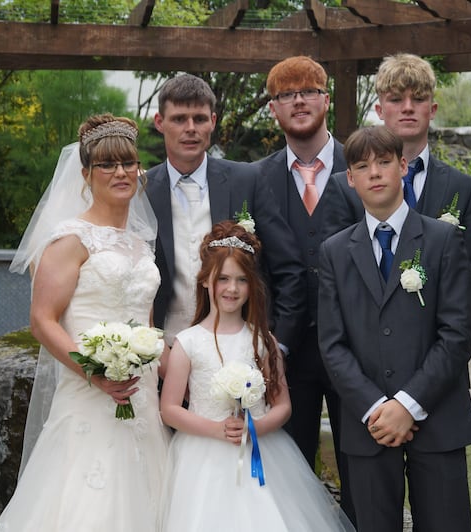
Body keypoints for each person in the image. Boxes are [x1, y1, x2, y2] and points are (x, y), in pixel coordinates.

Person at [0, 114, 170, 531]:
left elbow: (146, 321)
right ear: (86, 174)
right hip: (89, 392)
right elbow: (43, 320)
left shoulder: (141, 242)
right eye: (107, 165)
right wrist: (96, 373)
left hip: (141, 394)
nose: (121, 173)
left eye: (129, 163)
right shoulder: (70, 239)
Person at [318, 126, 471, 532]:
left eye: (384, 162)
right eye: (362, 166)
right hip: (367, 425)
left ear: (403, 167)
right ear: (349, 179)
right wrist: (377, 409)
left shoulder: (442, 239)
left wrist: (408, 404)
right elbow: (333, 345)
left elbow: (457, 334)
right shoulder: (335, 252)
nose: (375, 173)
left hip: (437, 419)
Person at [160, 220, 354, 532]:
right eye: (222, 278)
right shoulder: (188, 342)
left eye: (241, 280)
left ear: (252, 286)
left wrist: (255, 428)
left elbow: (282, 406)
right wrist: (215, 429)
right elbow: (169, 409)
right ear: (205, 281)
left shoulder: (264, 341)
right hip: (202, 455)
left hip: (262, 450)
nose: (232, 288)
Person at [251, 55, 355, 522]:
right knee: (289, 477)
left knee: (363, 475)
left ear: (327, 100)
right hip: (284, 355)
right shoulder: (256, 178)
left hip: (357, 353)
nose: (298, 101)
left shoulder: (363, 167)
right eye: (286, 94)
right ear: (273, 109)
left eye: (309, 91)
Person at [145, 73, 307, 352]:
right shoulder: (142, 190)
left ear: (213, 121)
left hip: (242, 350)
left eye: (199, 118)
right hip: (164, 352)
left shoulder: (247, 180)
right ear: (160, 123)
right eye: (179, 119)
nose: (190, 128)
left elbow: (288, 268)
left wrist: (277, 344)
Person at [331, 53, 471, 316]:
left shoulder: (461, 187)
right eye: (396, 99)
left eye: (418, 99)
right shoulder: (343, 187)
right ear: (380, 110)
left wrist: (447, 340)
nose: (408, 107)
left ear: (433, 109)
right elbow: (337, 274)